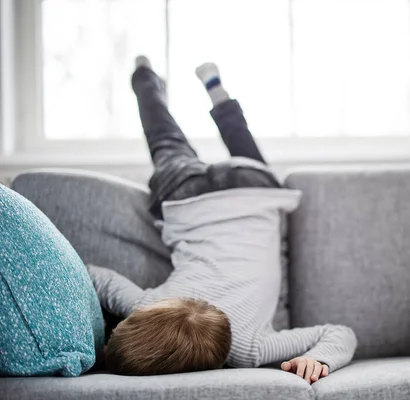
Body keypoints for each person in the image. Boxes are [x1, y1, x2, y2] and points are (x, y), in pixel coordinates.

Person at [87, 56, 357, 382]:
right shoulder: (146, 303)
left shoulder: (251, 348)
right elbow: (93, 276)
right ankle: (145, 78)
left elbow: (339, 334)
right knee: (164, 138)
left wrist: (320, 358)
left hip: (252, 193)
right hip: (188, 197)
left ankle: (218, 91)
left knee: (242, 143)